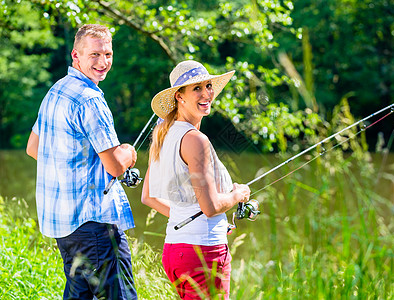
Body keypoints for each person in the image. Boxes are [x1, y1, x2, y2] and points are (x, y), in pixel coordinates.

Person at [26, 24, 138, 300]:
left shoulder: (57, 90)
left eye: (108, 54)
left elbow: (33, 148)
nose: (103, 62)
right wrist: (129, 152)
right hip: (94, 225)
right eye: (94, 55)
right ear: (76, 55)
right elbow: (115, 166)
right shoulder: (90, 100)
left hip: (65, 228)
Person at [141, 60, 251, 299]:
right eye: (196, 89)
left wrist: (204, 223)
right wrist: (237, 195)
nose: (206, 94)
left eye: (208, 86)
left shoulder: (162, 135)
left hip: (174, 252)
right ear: (179, 97)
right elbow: (210, 207)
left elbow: (148, 197)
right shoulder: (195, 140)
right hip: (204, 255)